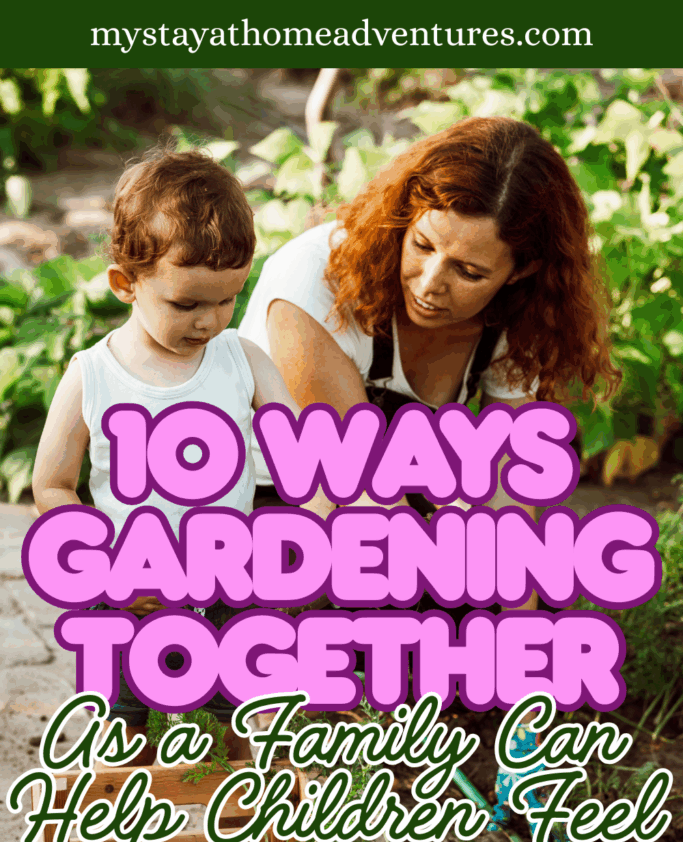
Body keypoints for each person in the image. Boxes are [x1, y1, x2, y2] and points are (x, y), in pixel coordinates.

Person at [239, 116, 621, 613]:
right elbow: (358, 492)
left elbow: (509, 492)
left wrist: (517, 623)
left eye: (469, 271)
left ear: (520, 271)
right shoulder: (312, 279)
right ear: (406, 216)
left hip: (397, 499)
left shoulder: (518, 318)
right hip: (276, 502)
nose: (429, 283)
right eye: (422, 245)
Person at [32, 148, 319, 763]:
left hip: (227, 576)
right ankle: (122, 820)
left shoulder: (242, 358)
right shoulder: (93, 374)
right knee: (125, 710)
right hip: (132, 583)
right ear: (125, 284)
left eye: (227, 300)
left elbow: (304, 458)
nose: (209, 321)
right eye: (186, 304)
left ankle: (241, 817)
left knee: (234, 708)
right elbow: (52, 484)